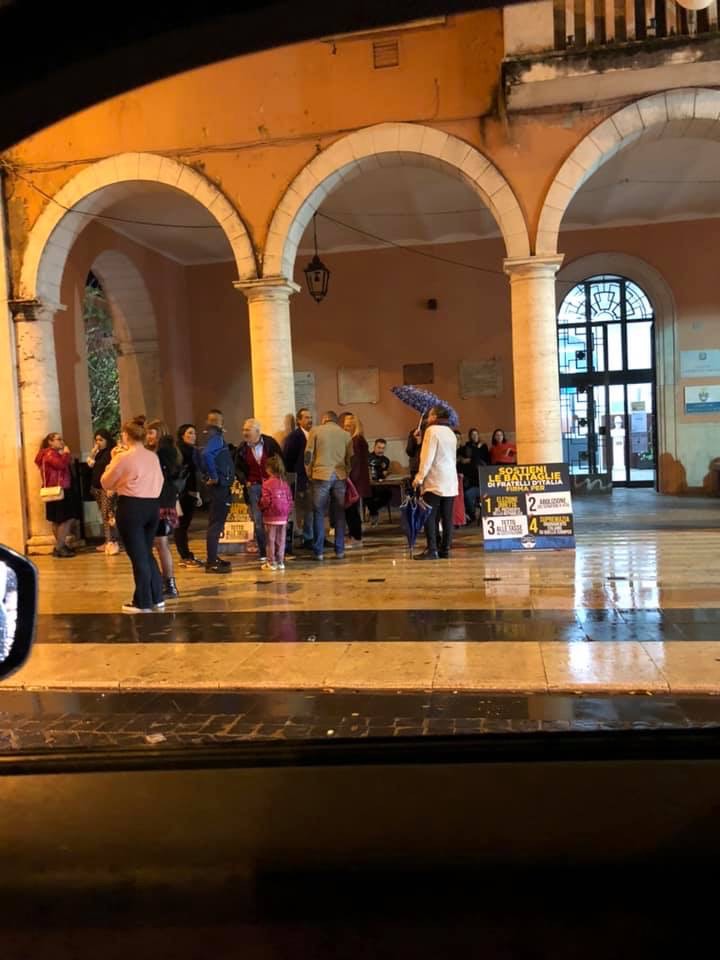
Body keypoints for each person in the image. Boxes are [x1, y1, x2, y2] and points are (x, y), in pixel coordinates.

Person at [100, 419, 164, 613]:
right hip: (152, 506)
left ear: (126, 436)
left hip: (132, 507)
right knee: (146, 552)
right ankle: (157, 597)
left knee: (138, 556)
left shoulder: (123, 457)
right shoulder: (152, 456)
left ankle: (142, 602)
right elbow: (160, 480)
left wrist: (112, 460)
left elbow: (105, 482)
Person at [305, 410, 353, 561]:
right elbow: (350, 458)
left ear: (324, 419)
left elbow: (308, 454)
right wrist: (346, 472)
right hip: (340, 475)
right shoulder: (345, 434)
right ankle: (339, 550)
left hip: (321, 474)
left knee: (319, 512)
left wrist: (309, 472)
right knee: (339, 513)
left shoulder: (315, 431)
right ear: (336, 420)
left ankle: (319, 552)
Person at [413, 405, 458, 560]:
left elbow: (427, 457)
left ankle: (432, 550)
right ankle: (445, 549)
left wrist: (419, 478)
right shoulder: (451, 432)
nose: (428, 417)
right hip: (450, 480)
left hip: (435, 480)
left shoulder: (431, 431)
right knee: (447, 517)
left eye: (430, 415)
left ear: (435, 416)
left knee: (429, 516)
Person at [234, 418, 282, 562]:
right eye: (243, 430)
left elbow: (280, 460)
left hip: (272, 486)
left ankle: (277, 551)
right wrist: (245, 481)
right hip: (254, 486)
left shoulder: (270, 443)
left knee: (274, 519)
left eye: (247, 430)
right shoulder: (242, 448)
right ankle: (263, 552)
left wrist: (278, 478)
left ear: (257, 431)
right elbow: (237, 467)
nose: (244, 433)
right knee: (258, 520)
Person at [145, 420, 182, 600]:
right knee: (160, 543)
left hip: (161, 502)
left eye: (151, 433)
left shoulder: (164, 452)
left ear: (160, 433)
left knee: (161, 543)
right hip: (160, 500)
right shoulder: (164, 451)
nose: (148, 437)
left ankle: (169, 583)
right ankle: (164, 583)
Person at [201, 417, 235, 574]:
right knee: (216, 524)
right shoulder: (216, 439)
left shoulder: (212, 440)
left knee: (215, 523)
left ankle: (213, 557)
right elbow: (207, 455)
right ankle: (211, 561)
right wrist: (214, 477)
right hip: (220, 488)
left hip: (220, 487)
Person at [35, 433, 77, 558]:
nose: (62, 441)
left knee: (57, 520)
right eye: (58, 439)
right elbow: (60, 465)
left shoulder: (46, 454)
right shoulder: (50, 454)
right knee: (67, 518)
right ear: (50, 442)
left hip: (52, 490)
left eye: (61, 439)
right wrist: (66, 454)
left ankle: (61, 546)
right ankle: (59, 547)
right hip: (60, 489)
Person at [282, 408, 314, 550]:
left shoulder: (313, 434)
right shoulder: (295, 437)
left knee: (313, 509)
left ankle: (313, 537)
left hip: (313, 478)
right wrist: (296, 477)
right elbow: (288, 459)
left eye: (310, 417)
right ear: (299, 420)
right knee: (305, 510)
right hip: (301, 479)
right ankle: (307, 538)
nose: (310, 420)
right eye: (306, 417)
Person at [86, 429, 120, 555]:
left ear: (107, 440)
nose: (98, 442)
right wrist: (92, 453)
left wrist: (112, 487)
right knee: (104, 514)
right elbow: (91, 465)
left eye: (101, 440)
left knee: (108, 514)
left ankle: (111, 541)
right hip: (97, 488)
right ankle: (108, 540)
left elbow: (109, 469)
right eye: (96, 440)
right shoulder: (99, 453)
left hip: (107, 488)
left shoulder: (112, 452)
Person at [174, 423, 204, 567]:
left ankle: (185, 554)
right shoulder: (182, 451)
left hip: (189, 492)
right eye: (190, 433)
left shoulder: (192, 450)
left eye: (194, 433)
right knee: (181, 525)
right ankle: (185, 556)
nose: (193, 436)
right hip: (183, 493)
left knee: (183, 525)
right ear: (182, 435)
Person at [259, 454, 294, 572]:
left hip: (270, 516)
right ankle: (280, 562)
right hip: (283, 517)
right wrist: (288, 512)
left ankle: (271, 562)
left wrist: (261, 507)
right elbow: (290, 500)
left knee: (270, 540)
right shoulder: (285, 484)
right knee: (281, 539)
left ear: (269, 469)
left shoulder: (266, 484)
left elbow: (265, 500)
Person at [340, 412, 370, 546]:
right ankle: (354, 535)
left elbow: (355, 463)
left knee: (352, 510)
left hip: (355, 481)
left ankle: (356, 538)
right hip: (356, 480)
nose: (345, 428)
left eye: (348, 426)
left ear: (354, 426)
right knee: (351, 510)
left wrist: (349, 479)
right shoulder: (357, 440)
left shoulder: (356, 441)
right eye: (344, 425)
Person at [460, 428, 489, 521]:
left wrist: (472, 458)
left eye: (476, 434)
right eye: (472, 434)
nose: (475, 436)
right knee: (467, 495)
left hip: (485, 482)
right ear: (470, 436)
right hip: (473, 483)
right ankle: (473, 515)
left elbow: (483, 460)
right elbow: (466, 460)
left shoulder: (483, 446)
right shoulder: (467, 447)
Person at [366, 438, 392, 525]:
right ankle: (373, 513)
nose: (381, 450)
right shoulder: (367, 458)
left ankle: (373, 511)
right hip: (369, 486)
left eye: (383, 448)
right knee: (367, 494)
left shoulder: (386, 460)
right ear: (374, 447)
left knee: (388, 494)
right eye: (379, 447)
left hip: (381, 485)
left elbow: (384, 474)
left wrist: (385, 474)